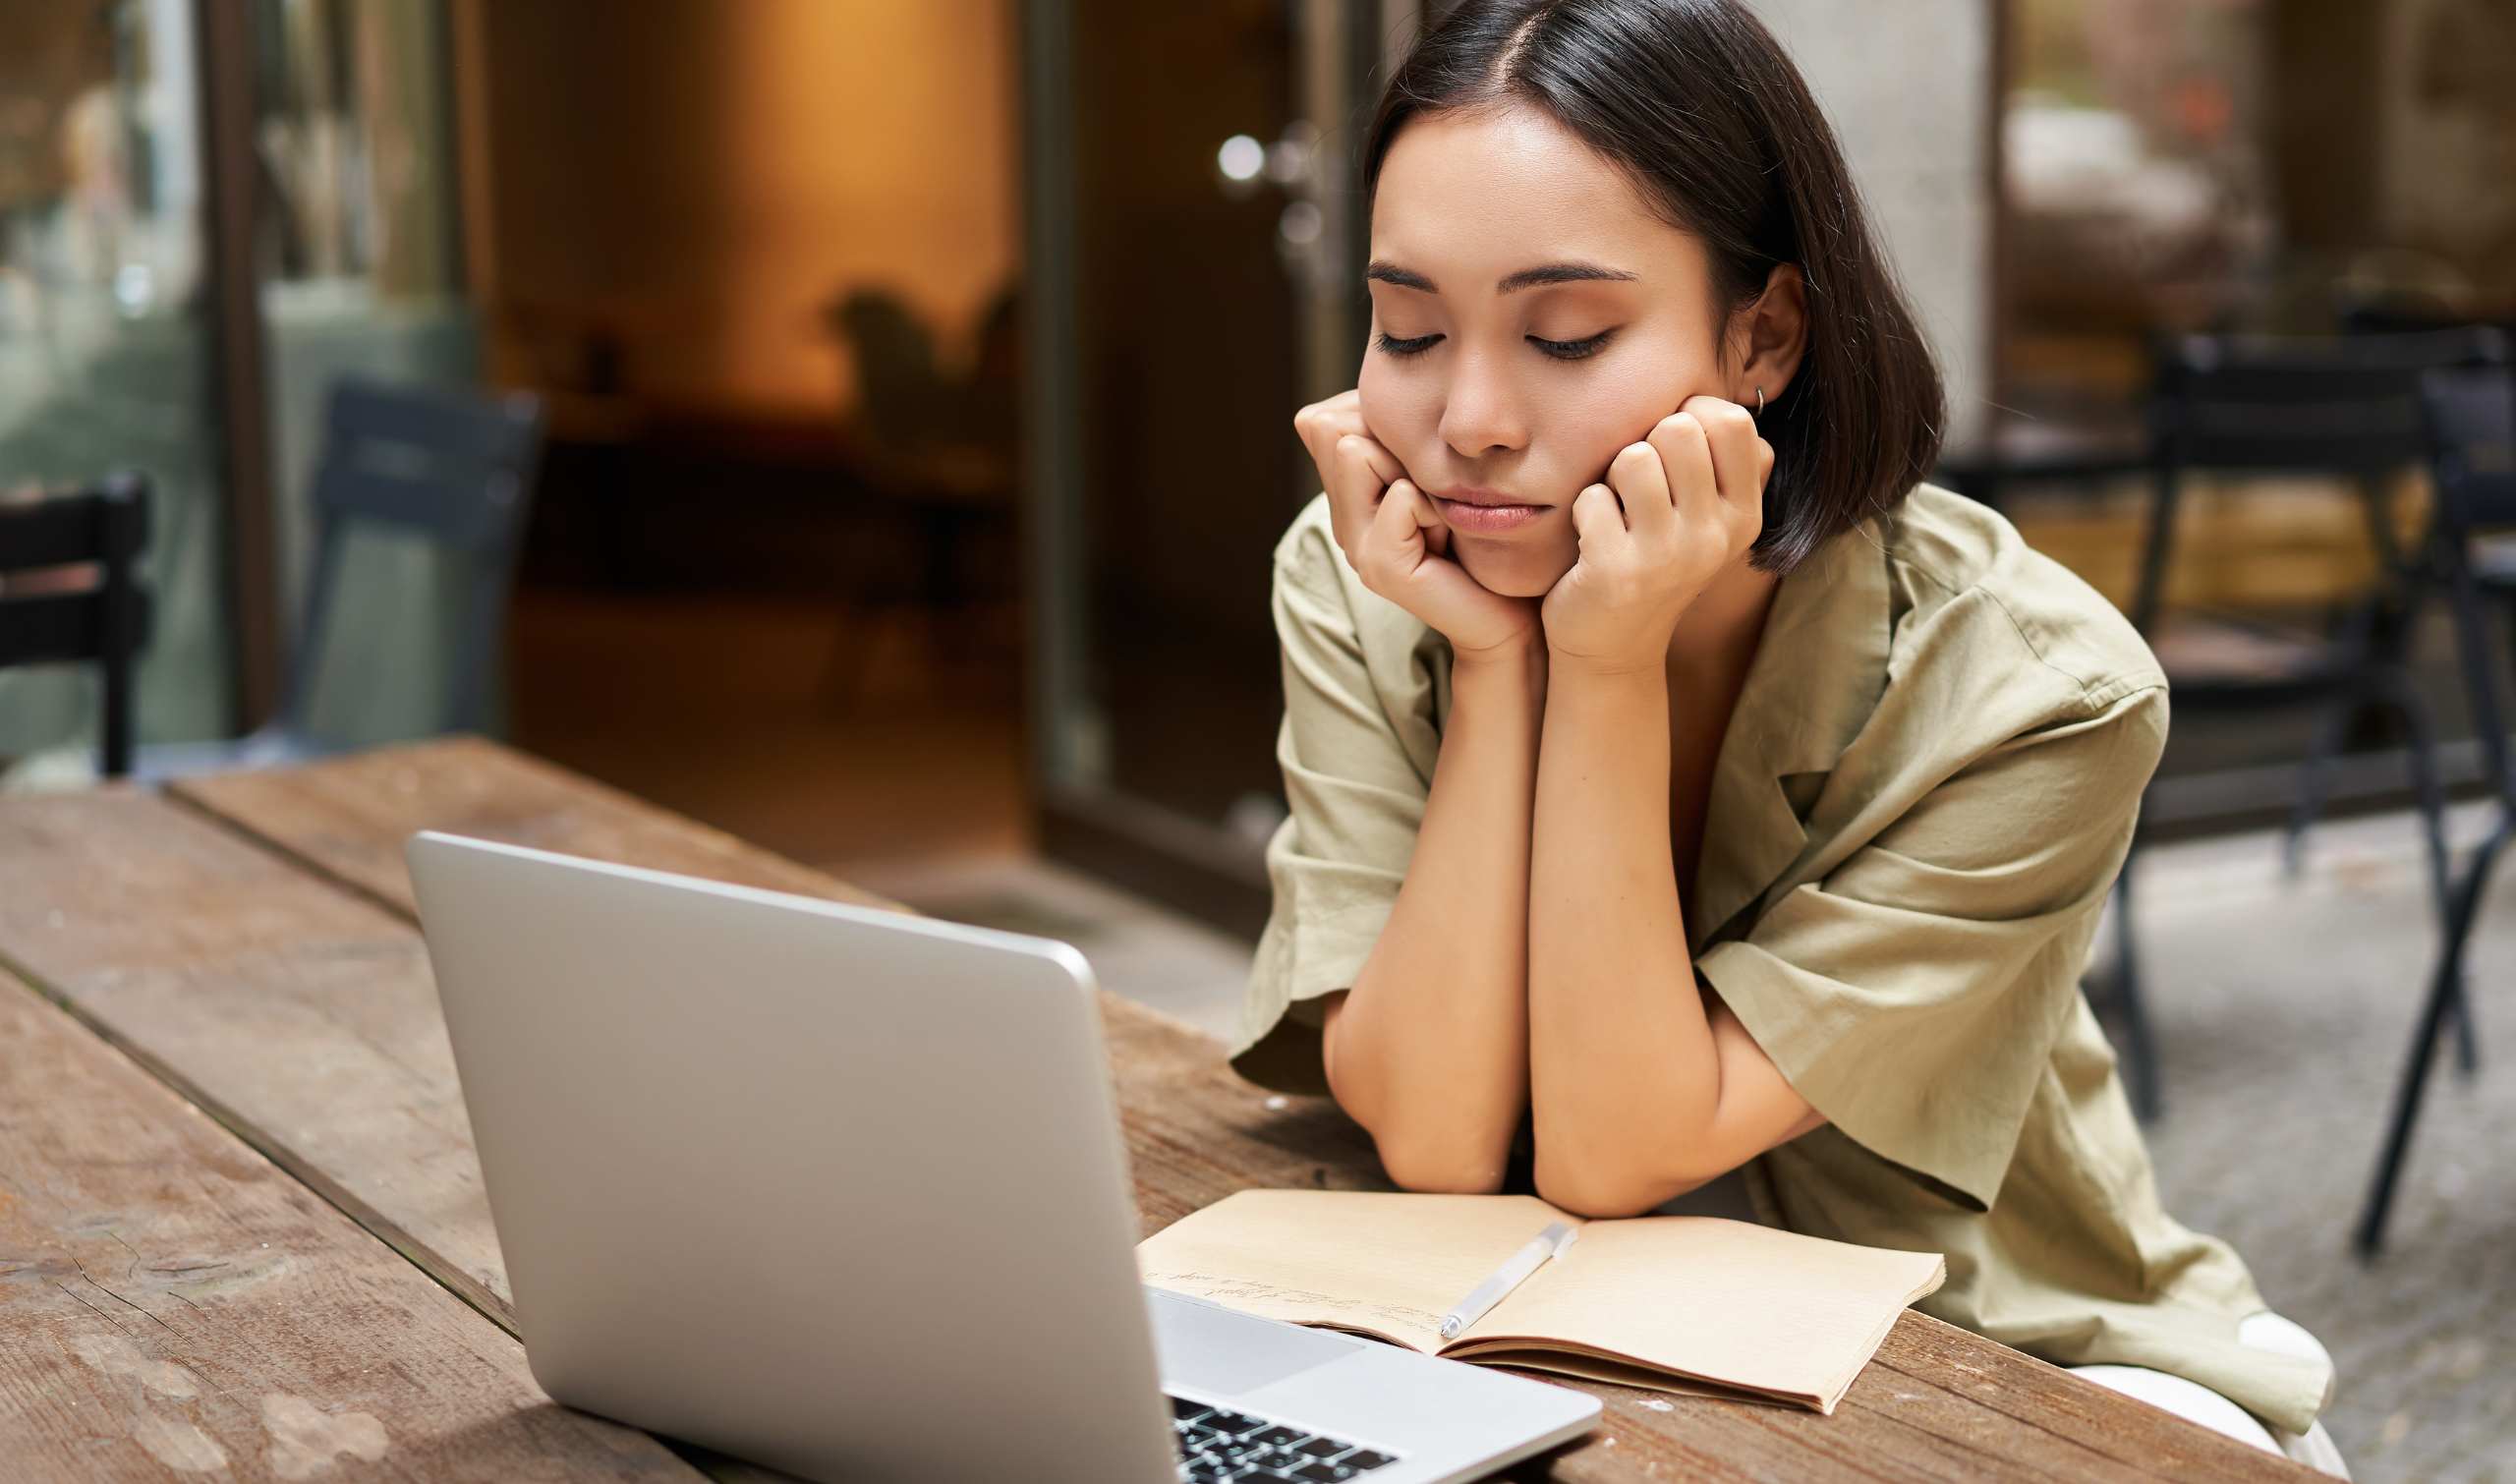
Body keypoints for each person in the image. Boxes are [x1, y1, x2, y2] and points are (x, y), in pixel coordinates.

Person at [1228, 1, 2348, 1473]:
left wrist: (1609, 661)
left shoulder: (2035, 691)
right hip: (1563, 1325)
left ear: (1763, 335)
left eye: (1566, 335)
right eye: (1412, 327)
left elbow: (1616, 1146)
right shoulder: (1364, 570)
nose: (1471, 418)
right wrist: (1499, 670)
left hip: (2001, 1352)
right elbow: (1434, 1136)